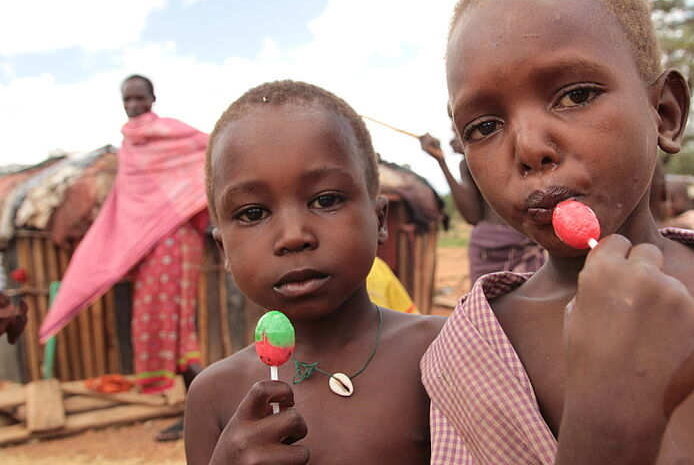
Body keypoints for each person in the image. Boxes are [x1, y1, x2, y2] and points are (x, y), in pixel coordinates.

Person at [421, 0, 694, 464]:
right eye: (484, 127)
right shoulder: (467, 360)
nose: (530, 148)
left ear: (664, 114)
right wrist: (604, 433)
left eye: (576, 95)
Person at [184, 80, 445, 464]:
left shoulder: (441, 351)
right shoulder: (214, 394)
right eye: (253, 213)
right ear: (223, 249)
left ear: (379, 221)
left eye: (325, 200)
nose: (293, 237)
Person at [39, 74, 208, 442]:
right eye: (127, 100)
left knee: (176, 327)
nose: (133, 106)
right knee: (167, 327)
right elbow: (130, 202)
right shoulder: (129, 146)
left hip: (175, 240)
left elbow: (211, 150)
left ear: (153, 98)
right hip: (150, 245)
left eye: (139, 98)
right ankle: (198, 411)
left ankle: (203, 413)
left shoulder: (172, 133)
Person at [420, 117, 545, 284]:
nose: (455, 138)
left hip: (525, 243)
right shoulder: (467, 165)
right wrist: (441, 161)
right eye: (454, 132)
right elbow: (472, 216)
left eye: (463, 131)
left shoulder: (522, 156)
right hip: (487, 251)